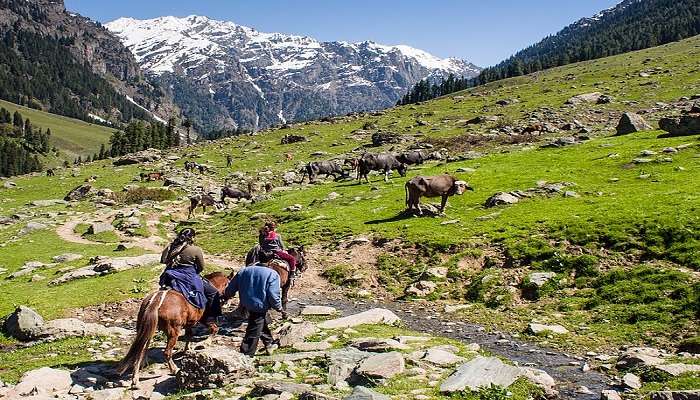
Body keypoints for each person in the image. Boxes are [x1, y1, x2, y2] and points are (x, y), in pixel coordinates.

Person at [222, 254, 282, 356]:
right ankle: (246, 353)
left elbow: (232, 287)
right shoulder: (272, 274)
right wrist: (278, 307)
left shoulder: (244, 270)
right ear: (271, 261)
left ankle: (269, 343)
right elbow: (273, 294)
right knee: (254, 328)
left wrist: (227, 295)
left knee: (259, 321)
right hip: (260, 305)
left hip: (246, 303)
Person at [159, 228, 221, 325]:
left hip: (170, 275)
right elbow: (201, 267)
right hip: (188, 275)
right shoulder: (195, 250)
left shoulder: (170, 247)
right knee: (213, 292)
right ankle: (210, 318)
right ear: (192, 237)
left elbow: (163, 261)